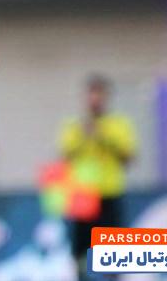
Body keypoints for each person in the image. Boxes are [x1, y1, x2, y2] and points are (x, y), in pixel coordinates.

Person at [58, 74, 137, 280]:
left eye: (99, 94)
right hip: (83, 196)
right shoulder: (75, 126)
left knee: (112, 247)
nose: (95, 100)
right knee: (81, 248)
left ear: (106, 97)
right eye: (91, 94)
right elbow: (65, 155)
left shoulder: (118, 124)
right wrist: (84, 136)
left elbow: (128, 156)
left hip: (110, 193)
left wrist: (103, 136)